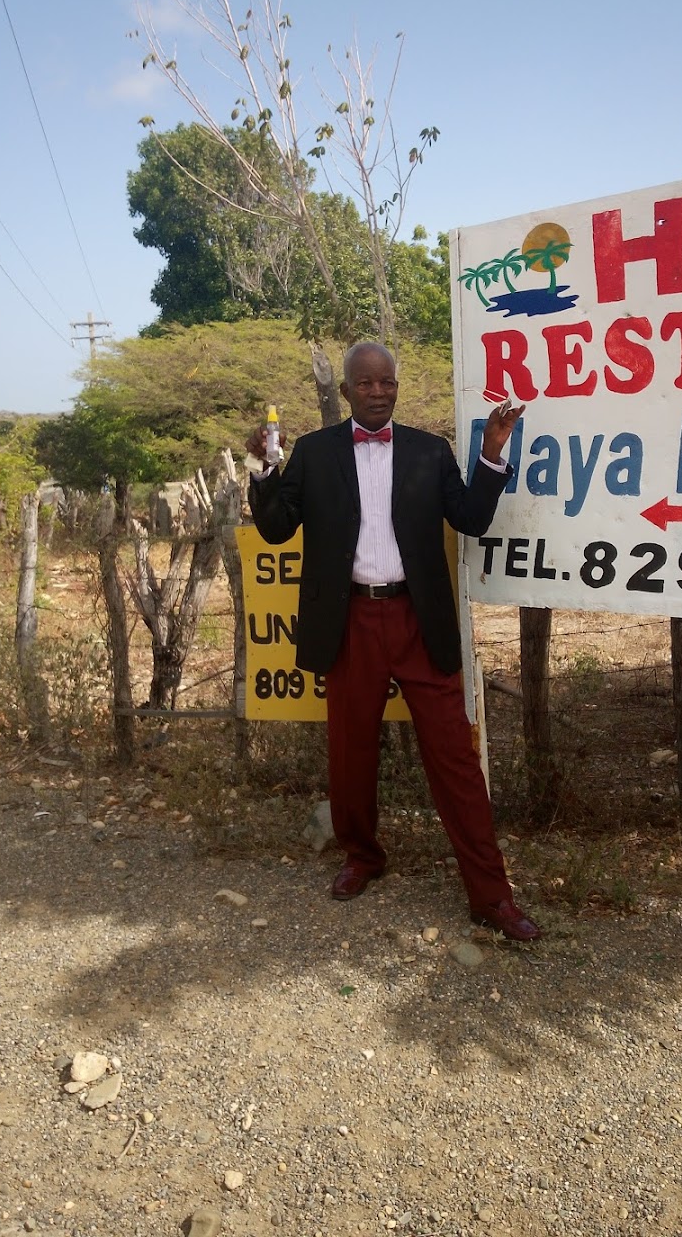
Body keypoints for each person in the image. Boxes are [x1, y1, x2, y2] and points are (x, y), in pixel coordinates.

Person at [246, 342, 541, 941]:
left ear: (396, 385)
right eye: (365, 383)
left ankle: (491, 896)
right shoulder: (315, 451)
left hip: (416, 617)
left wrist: (491, 453)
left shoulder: (429, 451)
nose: (378, 392)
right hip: (349, 621)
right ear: (348, 389)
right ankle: (363, 856)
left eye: (387, 382)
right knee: (350, 753)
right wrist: (263, 469)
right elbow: (276, 530)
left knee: (455, 758)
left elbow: (470, 520)